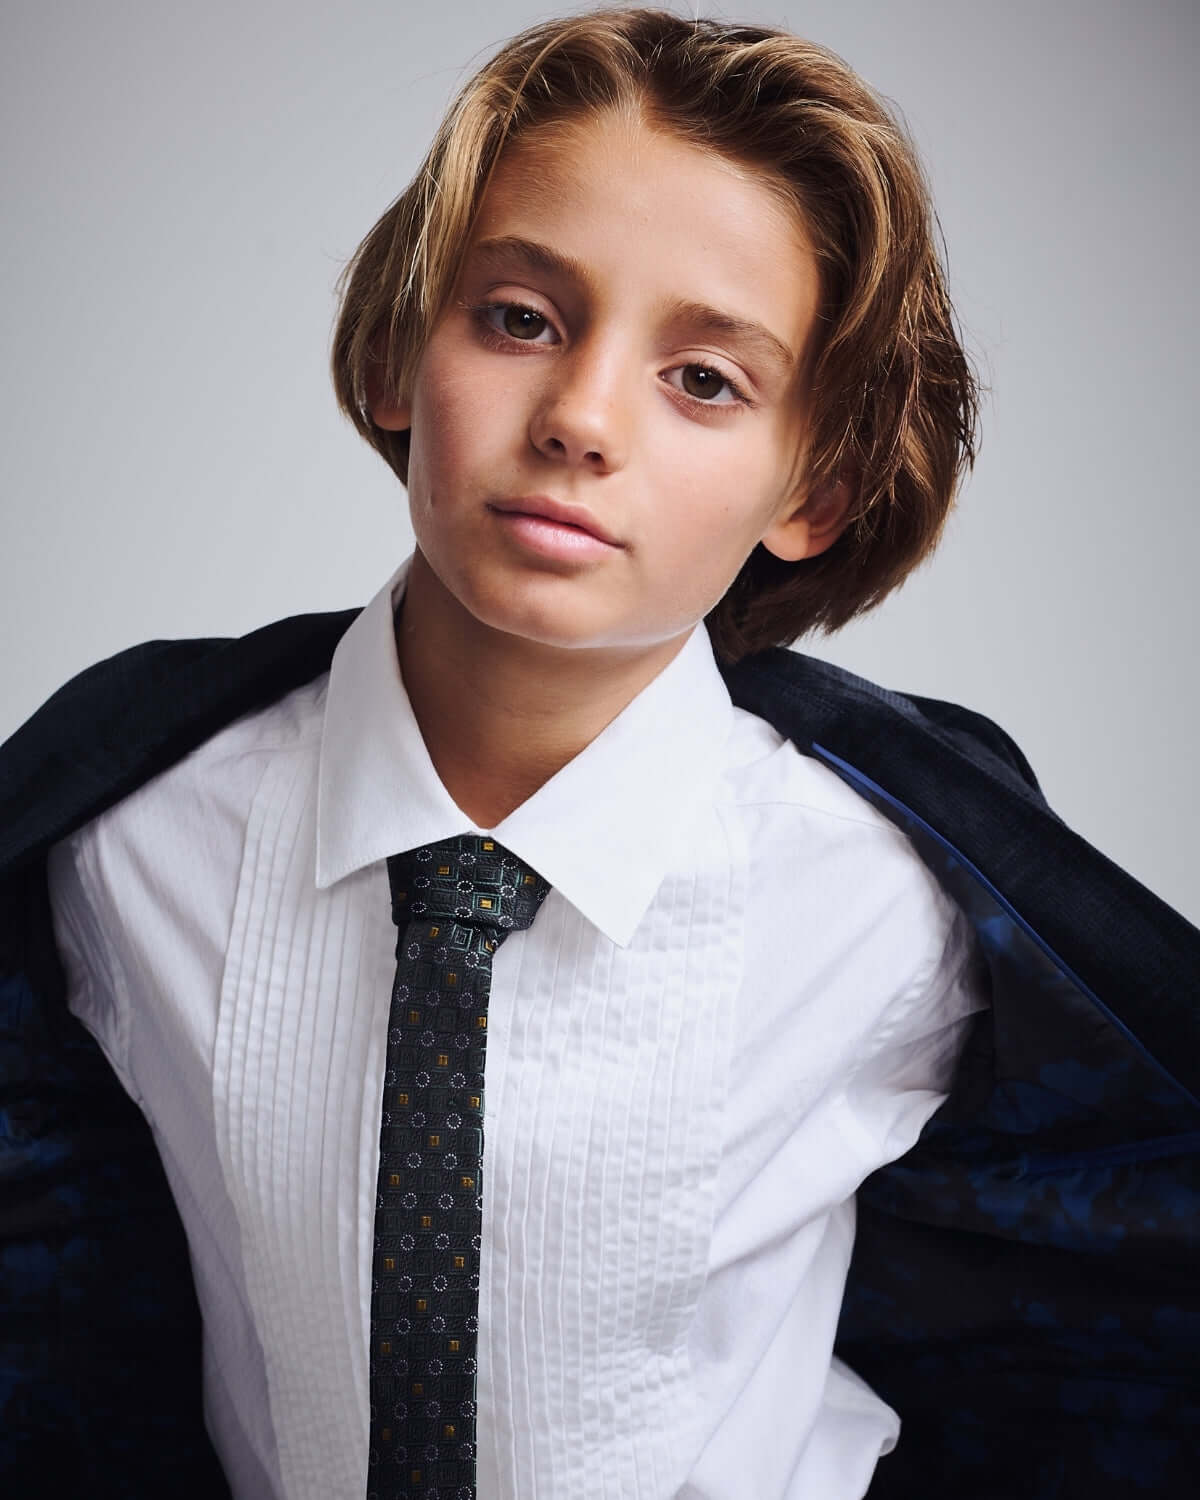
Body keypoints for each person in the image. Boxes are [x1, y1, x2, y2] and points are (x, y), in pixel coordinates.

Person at [1, 8, 1196, 1499]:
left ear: (810, 492)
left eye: (704, 379)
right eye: (520, 318)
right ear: (396, 354)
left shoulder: (892, 906)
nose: (578, 419)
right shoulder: (129, 838)